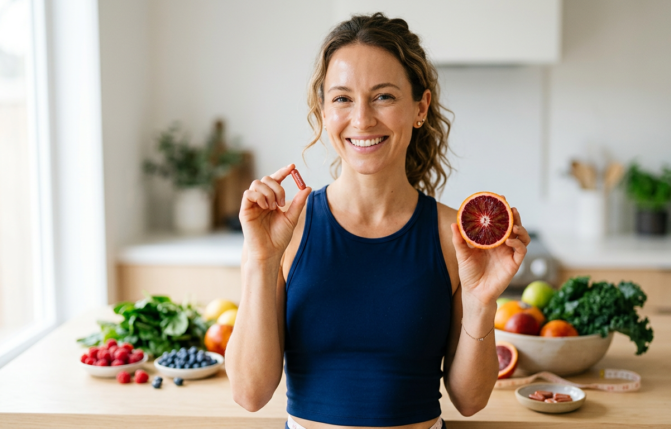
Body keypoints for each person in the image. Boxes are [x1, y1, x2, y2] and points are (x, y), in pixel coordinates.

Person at [225, 13, 530, 429]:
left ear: (419, 107)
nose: (363, 119)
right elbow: (249, 393)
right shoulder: (286, 231)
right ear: (323, 110)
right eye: (342, 98)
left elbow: (470, 400)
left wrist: (481, 302)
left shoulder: (452, 236)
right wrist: (259, 260)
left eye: (383, 96)